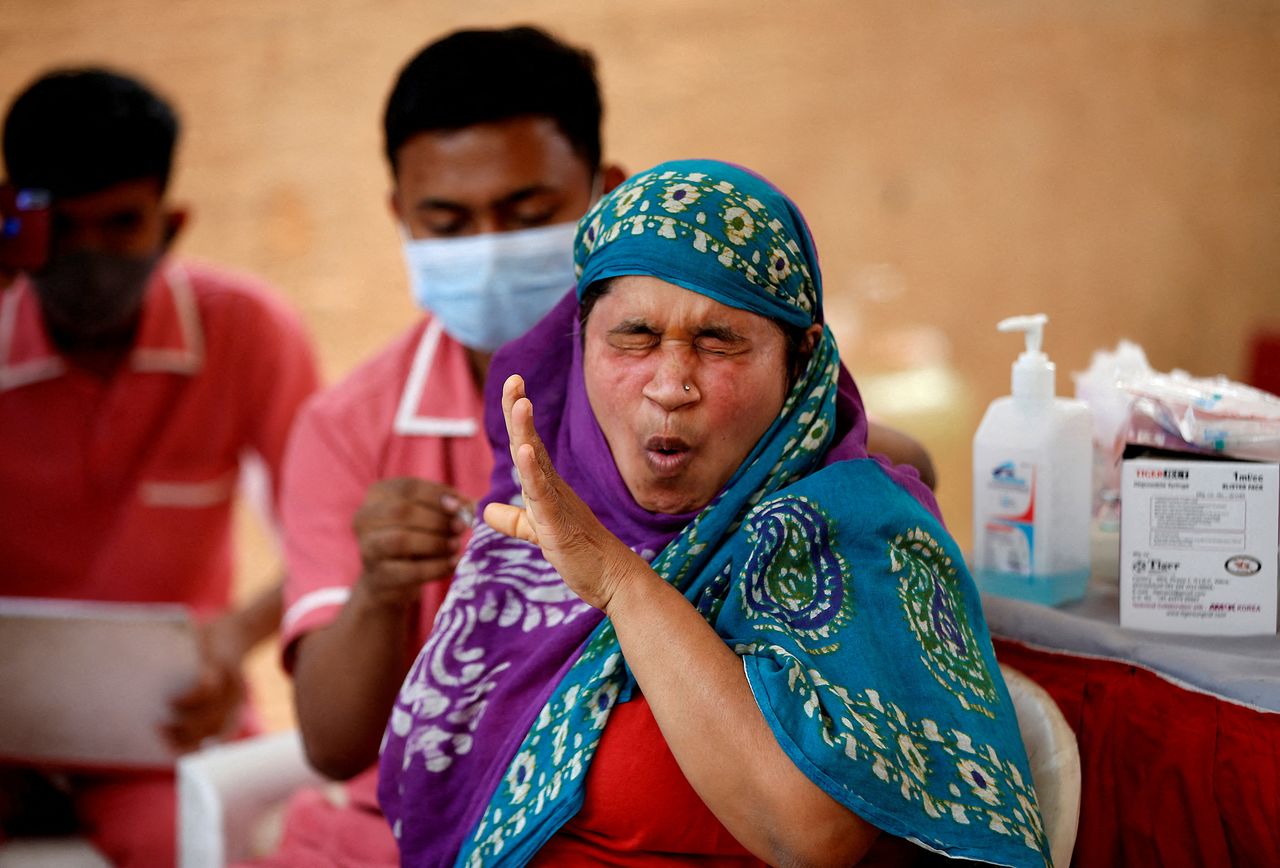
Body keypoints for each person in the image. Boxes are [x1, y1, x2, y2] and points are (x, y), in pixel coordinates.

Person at [276, 24, 936, 866]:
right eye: (447, 220)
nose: (669, 385)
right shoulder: (352, 427)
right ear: (400, 215)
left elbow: (808, 824)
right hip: (410, 828)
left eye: (526, 212)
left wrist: (791, 456)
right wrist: (379, 588)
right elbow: (332, 745)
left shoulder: (763, 467)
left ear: (603, 194)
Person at [378, 160, 1050, 867]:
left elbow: (810, 833)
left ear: (801, 359)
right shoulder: (530, 527)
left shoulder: (858, 539)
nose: (670, 386)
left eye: (719, 341)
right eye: (634, 336)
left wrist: (618, 583)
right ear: (579, 345)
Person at [0, 68, 319, 865]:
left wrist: (234, 639)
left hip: (172, 725)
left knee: (220, 841)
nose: (88, 257)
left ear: (170, 225)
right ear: (11, 220)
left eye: (120, 224)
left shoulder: (245, 331)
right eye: (60, 228)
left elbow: (329, 534)